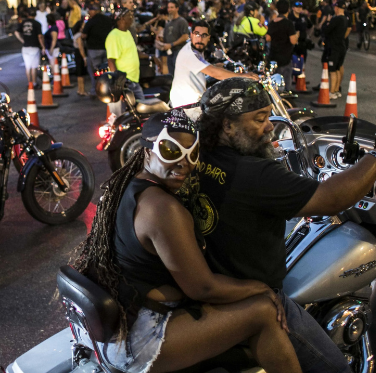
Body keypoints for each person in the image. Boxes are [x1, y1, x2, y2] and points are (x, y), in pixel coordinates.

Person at [195, 78, 376, 373]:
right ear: (227, 126)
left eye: (270, 117)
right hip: (254, 293)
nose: (269, 127)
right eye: (259, 119)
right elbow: (329, 198)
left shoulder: (200, 155)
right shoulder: (254, 174)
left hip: (216, 282)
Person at [72, 110, 301, 373]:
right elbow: (203, 288)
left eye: (193, 153)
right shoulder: (162, 208)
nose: (184, 163)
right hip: (140, 339)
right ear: (146, 149)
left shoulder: (127, 185)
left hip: (121, 325)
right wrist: (262, 288)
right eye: (171, 150)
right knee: (263, 310)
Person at [170, 21, 257, 120]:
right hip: (188, 106)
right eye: (197, 34)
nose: (200, 38)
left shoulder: (194, 49)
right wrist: (242, 76)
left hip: (194, 102)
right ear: (191, 35)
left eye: (204, 35)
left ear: (208, 38)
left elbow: (204, 66)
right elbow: (213, 72)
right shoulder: (189, 53)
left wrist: (216, 66)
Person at [105, 8, 145, 116]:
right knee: (122, 116)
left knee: (143, 112)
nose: (132, 18)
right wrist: (118, 82)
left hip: (133, 81)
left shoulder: (127, 33)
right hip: (124, 83)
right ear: (121, 19)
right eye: (130, 16)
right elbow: (111, 60)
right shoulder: (114, 36)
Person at [321, 0, 351, 99]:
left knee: (332, 70)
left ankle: (332, 92)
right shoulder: (345, 19)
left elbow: (326, 30)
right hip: (342, 46)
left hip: (334, 48)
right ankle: (337, 90)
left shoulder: (336, 19)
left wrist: (328, 22)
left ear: (337, 8)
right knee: (338, 68)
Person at [266, 0, 299, 88]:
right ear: (288, 9)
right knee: (285, 84)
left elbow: (268, 38)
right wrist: (296, 35)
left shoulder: (273, 23)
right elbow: (293, 40)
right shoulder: (288, 23)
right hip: (285, 57)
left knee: (274, 83)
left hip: (273, 56)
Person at [79, 4, 113, 86]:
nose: (89, 12)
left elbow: (83, 35)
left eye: (90, 10)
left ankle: (96, 89)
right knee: (107, 70)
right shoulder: (107, 20)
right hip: (107, 48)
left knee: (95, 71)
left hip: (94, 49)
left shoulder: (91, 21)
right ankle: (108, 87)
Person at [14, 9, 44, 86]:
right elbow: (40, 36)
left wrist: (22, 40)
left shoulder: (23, 23)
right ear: (35, 15)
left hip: (25, 47)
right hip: (34, 46)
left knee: (28, 67)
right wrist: (43, 46)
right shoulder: (37, 24)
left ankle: (29, 82)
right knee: (34, 67)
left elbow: (16, 32)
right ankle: (34, 83)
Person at [162, 0, 191, 74]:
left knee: (180, 73)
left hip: (179, 52)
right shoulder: (168, 24)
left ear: (177, 8)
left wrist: (171, 44)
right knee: (172, 74)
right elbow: (165, 38)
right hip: (170, 53)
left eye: (172, 7)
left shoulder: (182, 21)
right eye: (168, 7)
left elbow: (185, 36)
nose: (169, 9)